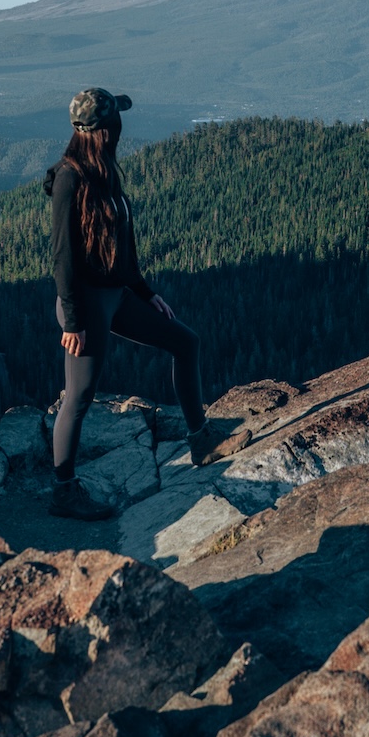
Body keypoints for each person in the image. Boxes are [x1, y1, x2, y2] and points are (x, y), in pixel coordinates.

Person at [43, 86, 237, 520]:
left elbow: (121, 247)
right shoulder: (71, 177)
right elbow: (63, 257)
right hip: (87, 308)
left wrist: (146, 292)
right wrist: (72, 321)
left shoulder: (104, 170)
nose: (122, 127)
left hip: (117, 297)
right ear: (103, 128)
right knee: (78, 396)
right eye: (116, 120)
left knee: (185, 342)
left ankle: (201, 439)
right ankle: (63, 491)